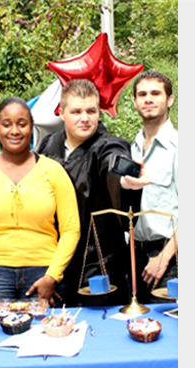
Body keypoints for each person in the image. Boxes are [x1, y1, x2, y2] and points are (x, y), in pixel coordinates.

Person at [0, 97, 80, 311]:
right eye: (7, 124)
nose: (14, 131)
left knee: (43, 338)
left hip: (43, 274)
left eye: (21, 124)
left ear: (31, 127)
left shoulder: (53, 171)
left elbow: (71, 229)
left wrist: (53, 275)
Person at [36, 79, 145, 307]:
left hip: (99, 260)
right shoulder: (48, 146)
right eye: (76, 111)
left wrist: (124, 179)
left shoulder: (107, 145)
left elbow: (112, 162)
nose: (85, 118)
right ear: (62, 112)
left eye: (91, 111)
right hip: (53, 259)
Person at [123, 70, 178, 303]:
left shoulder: (179, 147)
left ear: (170, 100)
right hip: (136, 257)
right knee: (138, 329)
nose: (148, 99)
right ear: (135, 102)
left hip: (170, 259)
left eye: (156, 93)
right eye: (142, 94)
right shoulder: (130, 149)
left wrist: (164, 257)